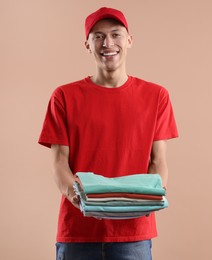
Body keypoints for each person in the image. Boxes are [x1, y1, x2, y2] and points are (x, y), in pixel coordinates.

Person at [38, 7, 178, 260]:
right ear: (87, 44)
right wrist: (86, 204)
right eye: (99, 36)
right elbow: (60, 164)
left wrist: (150, 199)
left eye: (116, 34)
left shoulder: (156, 96)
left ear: (129, 40)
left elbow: (158, 163)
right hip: (78, 232)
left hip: (133, 233)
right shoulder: (64, 97)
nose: (108, 43)